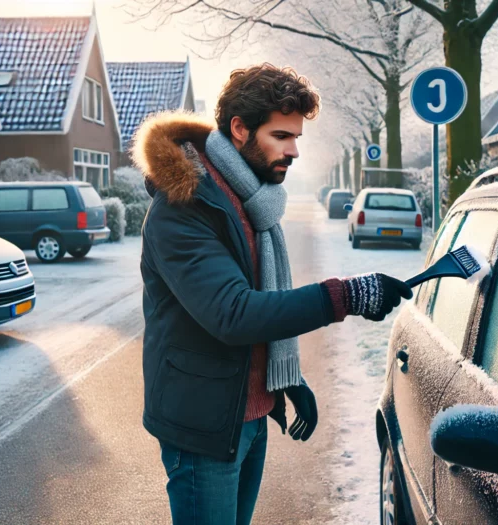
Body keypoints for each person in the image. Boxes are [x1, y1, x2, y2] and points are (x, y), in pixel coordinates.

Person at [135, 63, 412, 525]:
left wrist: (285, 380)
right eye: (281, 136)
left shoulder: (248, 199)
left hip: (248, 415)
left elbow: (257, 304)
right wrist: (347, 296)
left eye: (297, 136)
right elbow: (234, 313)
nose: (295, 150)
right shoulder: (184, 206)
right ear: (240, 129)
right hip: (204, 427)